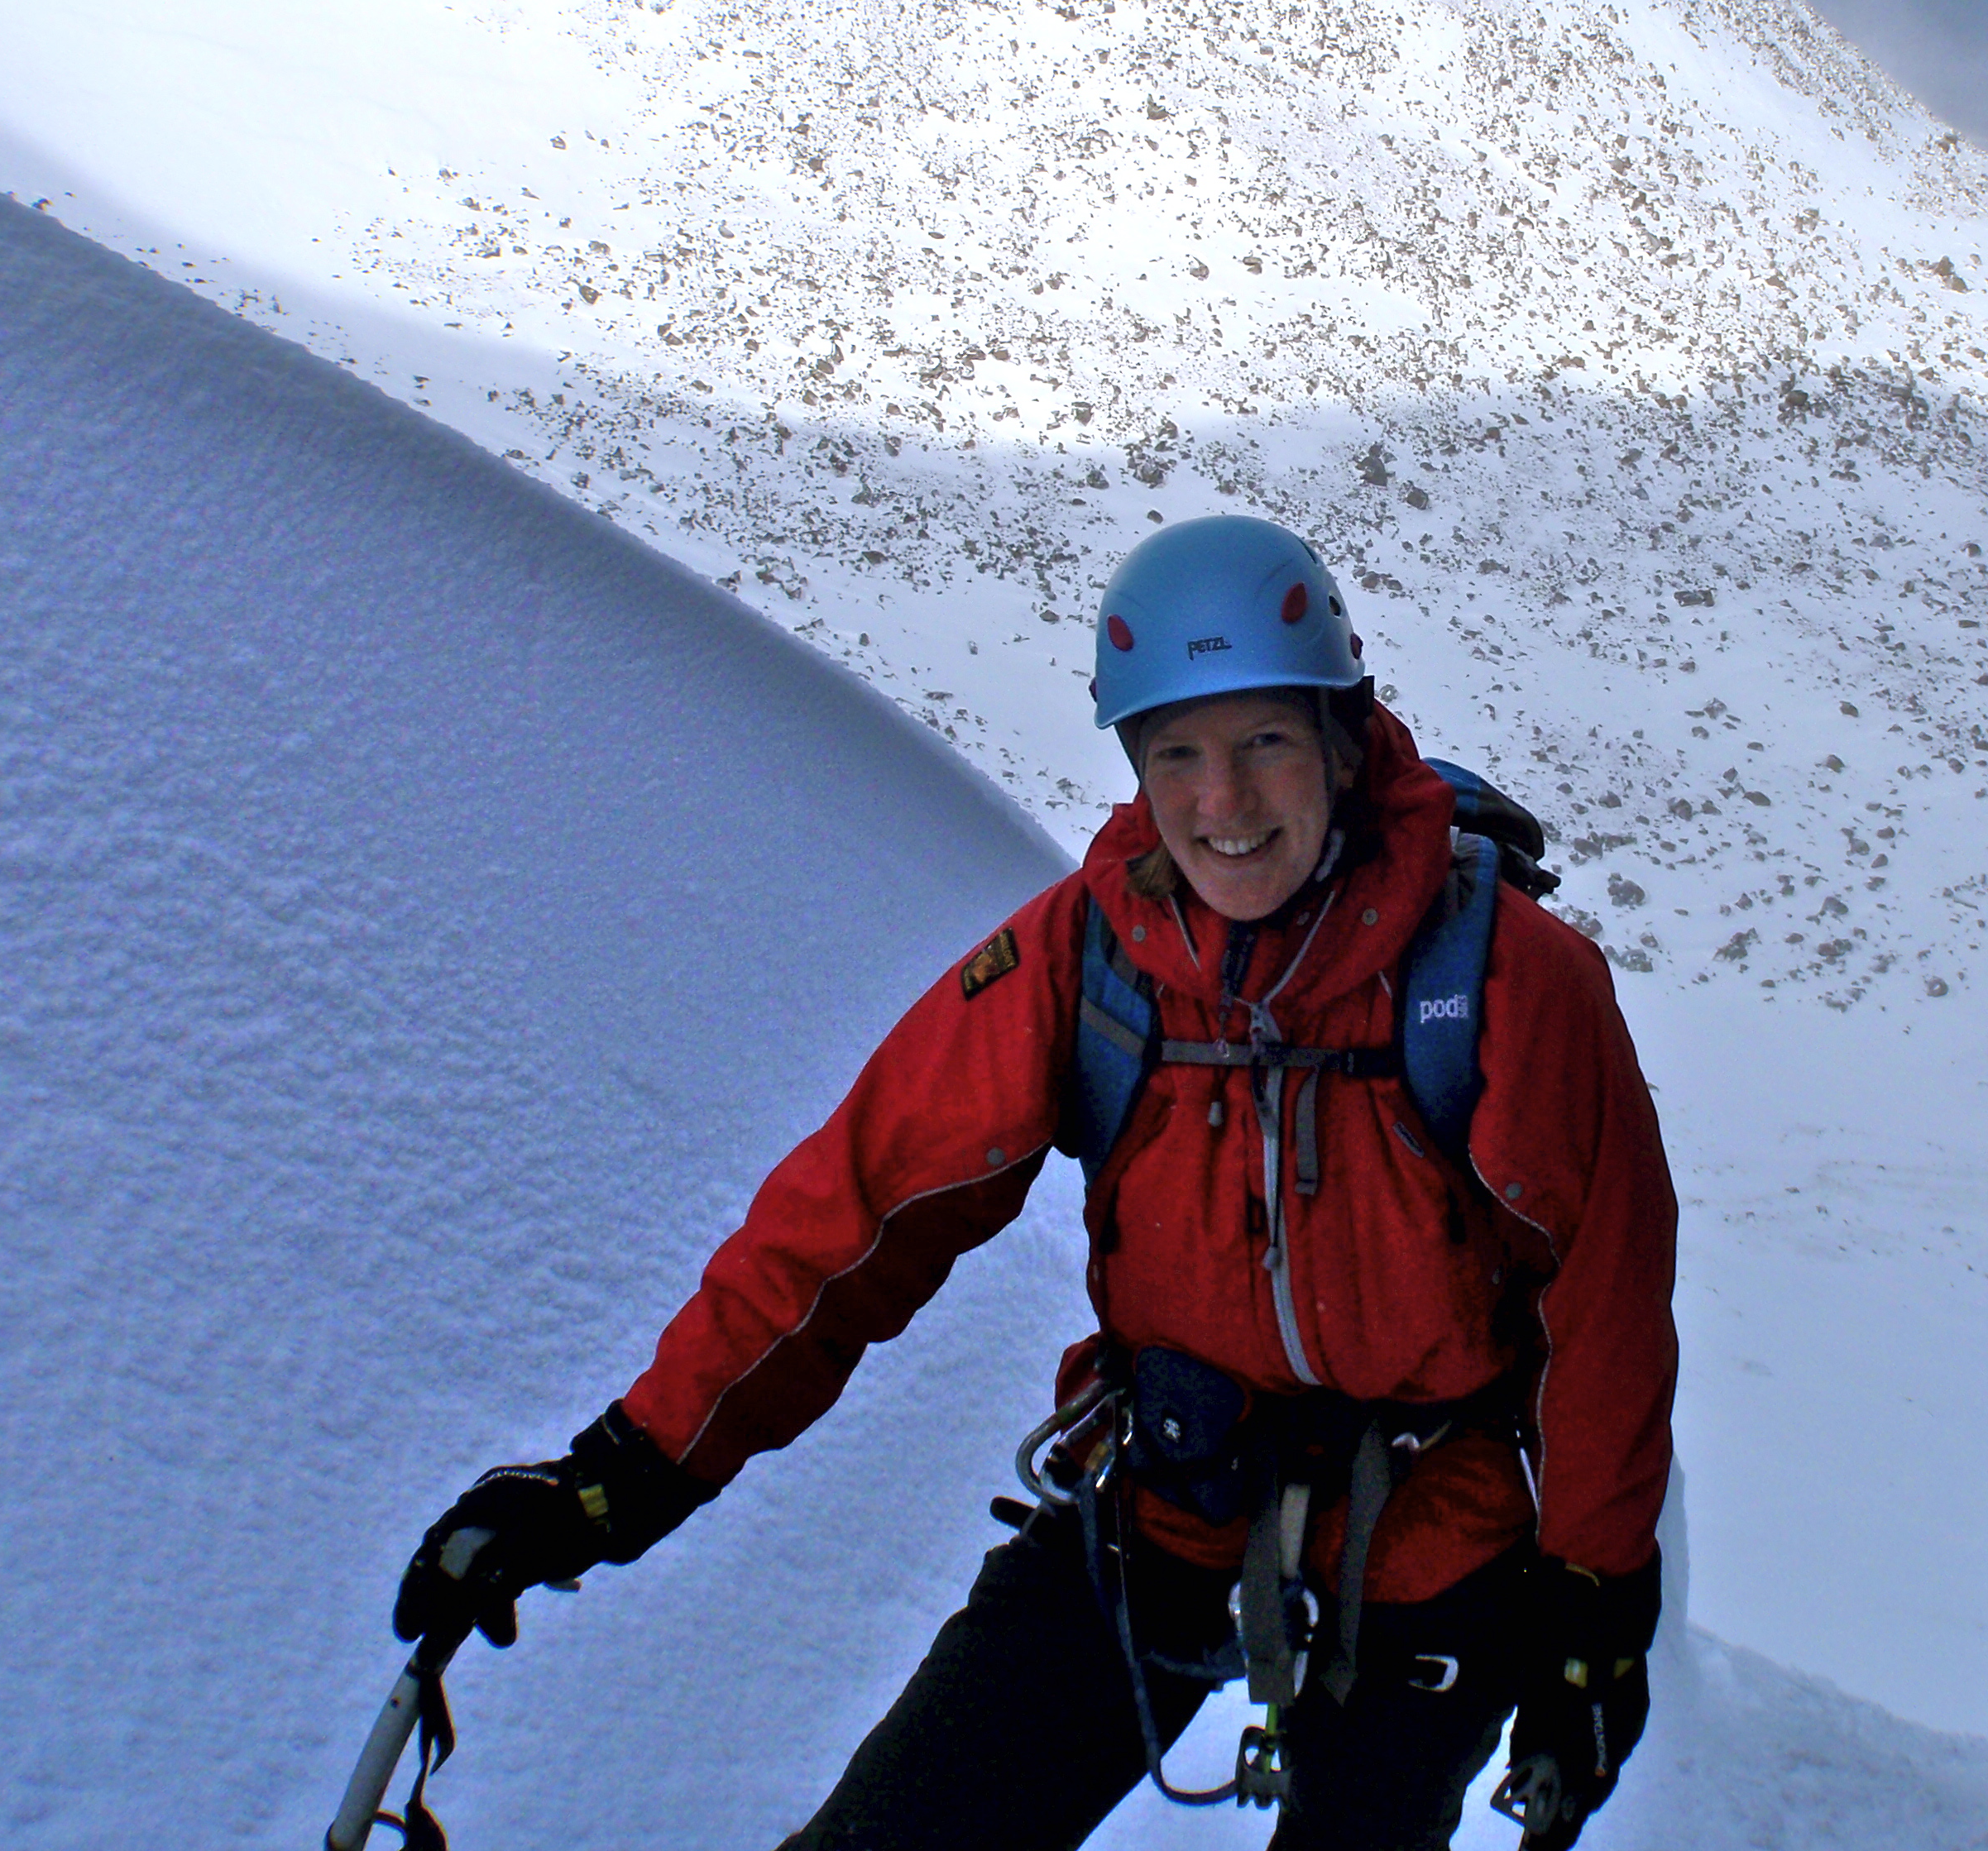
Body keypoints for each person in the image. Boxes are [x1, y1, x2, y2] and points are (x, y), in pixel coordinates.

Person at [389, 514, 1679, 1851]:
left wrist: (1597, 1607)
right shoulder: (1090, 957)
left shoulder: (1510, 982)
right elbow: (850, 1217)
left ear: (1344, 741)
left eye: (1264, 742)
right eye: (1176, 754)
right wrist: (624, 1469)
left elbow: (1607, 1311)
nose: (1223, 804)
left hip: (1435, 1540)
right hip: (1164, 1496)